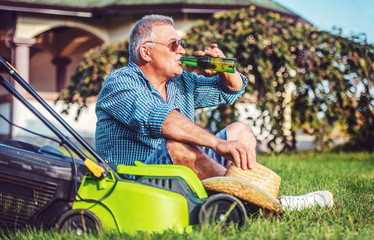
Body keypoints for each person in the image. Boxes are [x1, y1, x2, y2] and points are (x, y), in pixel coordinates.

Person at [95, 14, 333, 211]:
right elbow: (163, 121)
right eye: (173, 44)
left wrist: (223, 68)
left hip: (176, 176)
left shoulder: (182, 83)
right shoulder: (121, 82)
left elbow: (232, 90)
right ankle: (263, 205)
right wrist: (218, 144)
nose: (181, 50)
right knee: (178, 145)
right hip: (134, 182)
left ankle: (235, 202)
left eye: (182, 44)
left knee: (239, 131)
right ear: (146, 52)